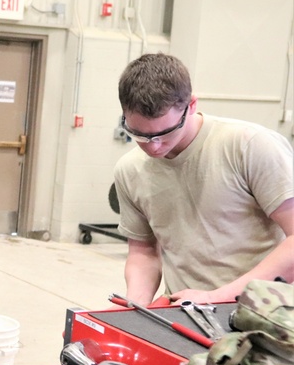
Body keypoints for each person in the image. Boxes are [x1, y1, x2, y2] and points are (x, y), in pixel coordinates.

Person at [113, 53, 294, 305]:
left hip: (263, 314)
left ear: (191, 105)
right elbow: (143, 252)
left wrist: (214, 298)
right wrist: (135, 307)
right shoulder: (130, 170)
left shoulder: (248, 146)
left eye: (164, 133)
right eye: (140, 135)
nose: (153, 147)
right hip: (185, 313)